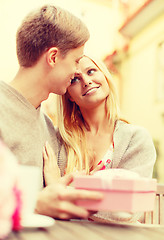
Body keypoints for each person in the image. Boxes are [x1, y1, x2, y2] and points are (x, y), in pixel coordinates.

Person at [0, 5, 103, 220]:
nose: (77, 71)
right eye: (76, 60)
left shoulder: (47, 127)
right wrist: (34, 203)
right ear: (53, 57)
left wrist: (58, 191)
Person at [43, 55, 156, 222]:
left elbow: (126, 210)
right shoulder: (60, 140)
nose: (87, 81)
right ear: (69, 96)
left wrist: (58, 188)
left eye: (91, 71)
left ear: (105, 77)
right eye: (75, 79)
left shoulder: (136, 139)